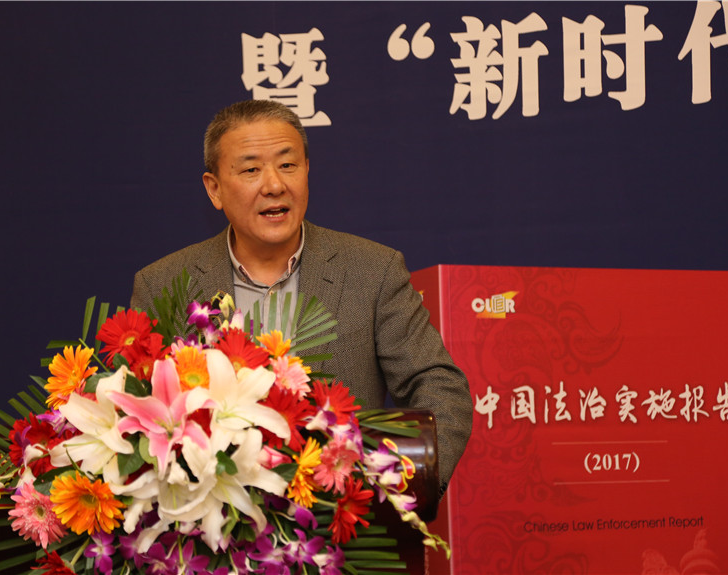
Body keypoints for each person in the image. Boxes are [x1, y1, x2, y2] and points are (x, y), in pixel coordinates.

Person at [130, 100, 472, 496]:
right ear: (215, 189)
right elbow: (139, 415)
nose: (274, 184)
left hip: (342, 517)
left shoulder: (372, 271)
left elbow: (439, 386)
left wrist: (399, 488)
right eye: (251, 169)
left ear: (307, 170)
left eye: (288, 164)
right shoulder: (164, 283)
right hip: (213, 521)